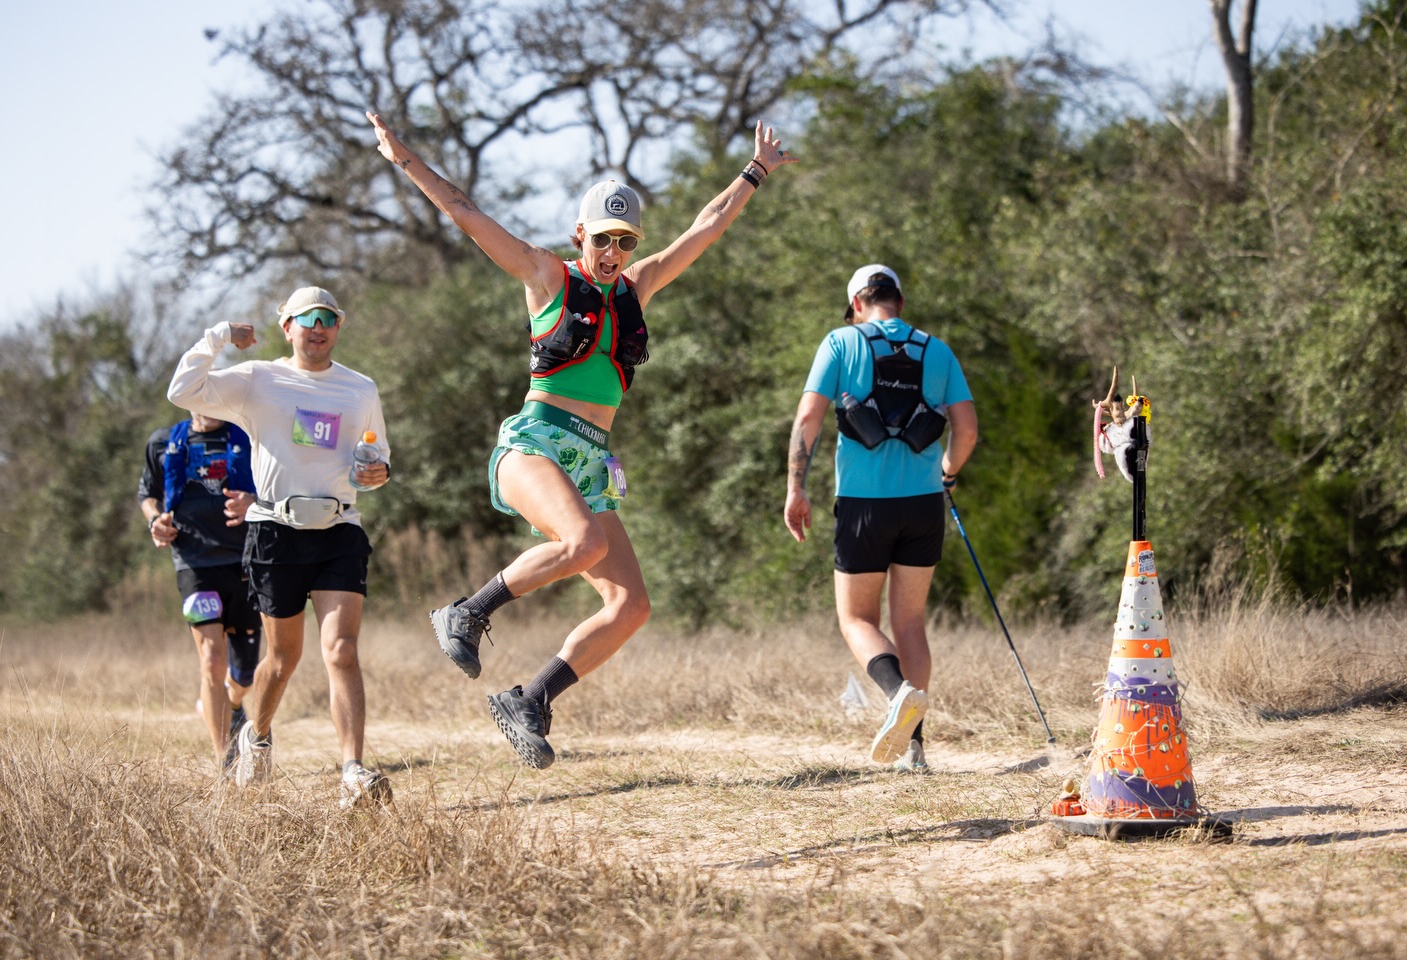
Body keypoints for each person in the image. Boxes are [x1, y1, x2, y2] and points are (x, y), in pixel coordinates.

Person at [367, 109, 796, 770]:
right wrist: (406, 160)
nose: (614, 252)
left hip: (591, 460)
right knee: (585, 542)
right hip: (533, 444)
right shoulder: (547, 276)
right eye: (603, 239)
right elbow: (465, 211)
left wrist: (755, 172)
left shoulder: (637, 288)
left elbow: (705, 226)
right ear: (580, 235)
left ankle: (530, 701)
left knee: (631, 605)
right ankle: (466, 612)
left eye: (624, 240)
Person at [167, 286, 395, 808]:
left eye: (328, 319)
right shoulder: (258, 380)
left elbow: (376, 460)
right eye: (306, 318)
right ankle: (259, 735)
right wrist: (221, 336)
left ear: (338, 328)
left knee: (341, 650)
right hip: (275, 532)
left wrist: (377, 472)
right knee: (282, 658)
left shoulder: (360, 389)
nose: (318, 327)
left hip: (339, 529)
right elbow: (184, 389)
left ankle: (353, 772)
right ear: (286, 327)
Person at [784, 265, 978, 772]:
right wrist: (948, 472)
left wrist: (795, 487)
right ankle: (913, 749)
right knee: (910, 622)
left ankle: (897, 695)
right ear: (901, 301)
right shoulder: (937, 350)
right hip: (922, 504)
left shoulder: (840, 342)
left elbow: (808, 419)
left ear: (855, 305)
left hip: (863, 506)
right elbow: (968, 430)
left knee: (856, 620)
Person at [139, 411, 262, 773]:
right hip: (193, 567)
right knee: (211, 660)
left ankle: (235, 705)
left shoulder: (251, 436)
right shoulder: (163, 441)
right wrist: (154, 520)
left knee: (245, 675)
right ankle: (225, 758)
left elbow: (274, 488)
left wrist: (253, 501)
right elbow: (147, 493)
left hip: (244, 564)